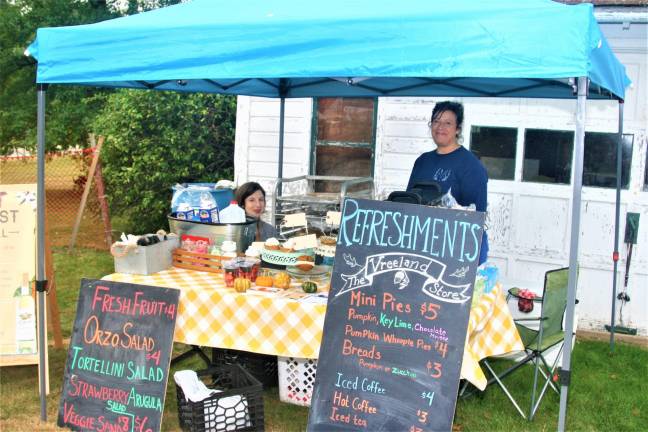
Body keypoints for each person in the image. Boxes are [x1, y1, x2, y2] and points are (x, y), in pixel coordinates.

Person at [407, 101, 489, 264]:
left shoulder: (470, 165)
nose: (440, 127)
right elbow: (409, 202)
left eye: (448, 123)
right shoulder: (422, 161)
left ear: (458, 129)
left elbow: (476, 215)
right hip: (422, 245)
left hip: (456, 248)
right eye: (436, 121)